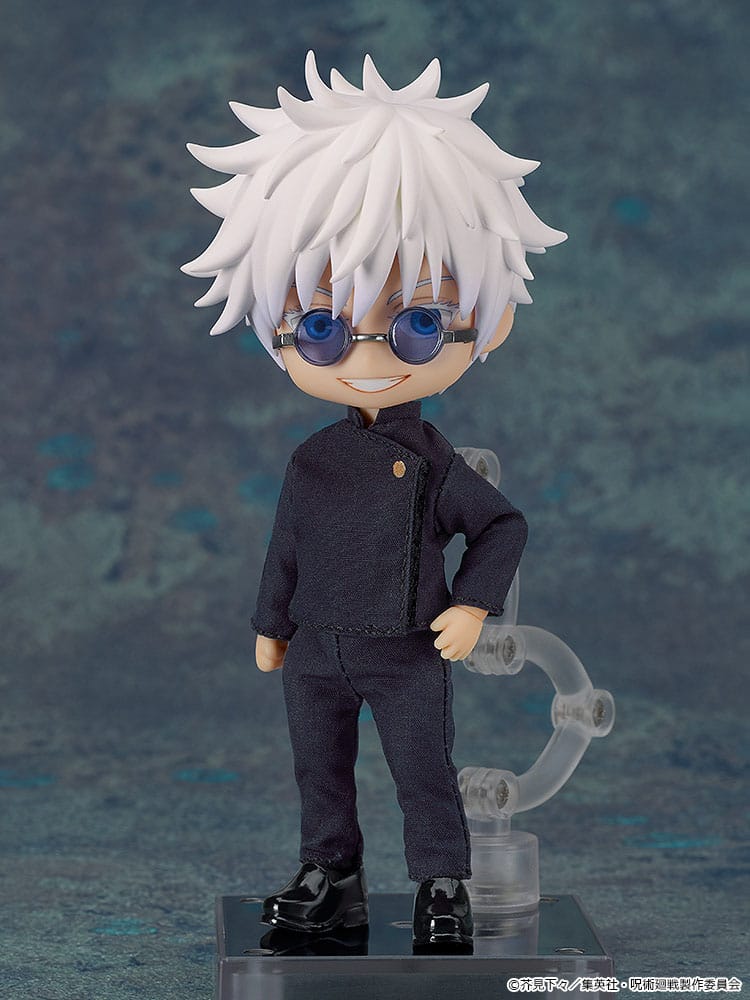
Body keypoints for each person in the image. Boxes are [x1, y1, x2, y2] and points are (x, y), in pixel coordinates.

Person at [182, 51, 565, 948]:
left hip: (404, 647)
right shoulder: (312, 458)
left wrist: (470, 605)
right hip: (316, 644)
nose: (365, 357)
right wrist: (270, 623)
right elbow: (286, 545)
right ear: (276, 330)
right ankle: (331, 877)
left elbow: (502, 526)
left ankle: (441, 885)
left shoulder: (431, 462)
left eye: (419, 323)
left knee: (423, 772)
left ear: (490, 320)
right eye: (320, 327)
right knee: (318, 771)